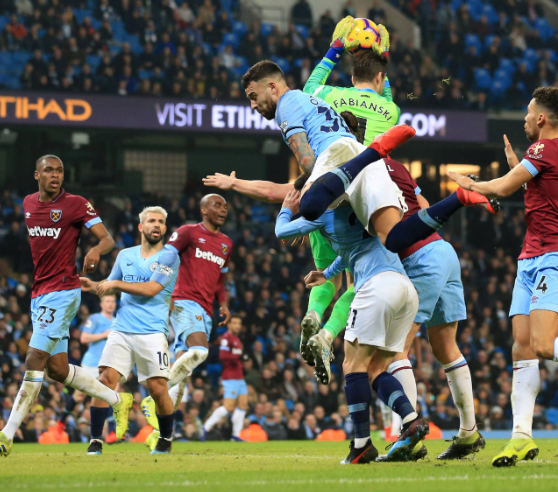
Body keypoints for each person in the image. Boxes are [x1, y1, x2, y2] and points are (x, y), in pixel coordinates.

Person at [276, 191, 429, 463]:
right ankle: (411, 419)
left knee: (353, 366)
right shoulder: (367, 207)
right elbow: (352, 251)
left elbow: (281, 232)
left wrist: (287, 210)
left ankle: (361, 445)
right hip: (406, 290)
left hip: (376, 287)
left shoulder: (323, 213)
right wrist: (326, 273)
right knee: (376, 369)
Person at [449, 86, 558, 467]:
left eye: (529, 113)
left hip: (551, 257)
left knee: (545, 347)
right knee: (522, 348)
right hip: (530, 257)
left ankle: (521, 435)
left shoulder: (543, 149)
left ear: (542, 118)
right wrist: (520, 168)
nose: (526, 119)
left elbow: (503, 188)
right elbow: (537, 189)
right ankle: (521, 437)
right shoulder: (542, 156)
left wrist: (473, 185)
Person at [0, 155, 132, 457]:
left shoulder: (75, 204)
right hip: (40, 292)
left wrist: (95, 250)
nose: (55, 175)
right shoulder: (28, 204)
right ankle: (117, 401)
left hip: (64, 289)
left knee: (34, 358)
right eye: (49, 171)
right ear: (37, 174)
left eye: (59, 171)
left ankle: (7, 434)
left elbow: (108, 239)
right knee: (58, 370)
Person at [80, 206, 180, 455]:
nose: (156, 225)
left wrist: (113, 282)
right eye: (151, 221)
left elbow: (151, 289)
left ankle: (166, 438)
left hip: (153, 332)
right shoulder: (125, 255)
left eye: (160, 222)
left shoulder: (170, 256)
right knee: (104, 381)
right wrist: (94, 286)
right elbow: (111, 288)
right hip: (122, 329)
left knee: (157, 389)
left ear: (165, 229)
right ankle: (95, 440)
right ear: (141, 227)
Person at [161, 195, 232, 403]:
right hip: (183, 300)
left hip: (206, 308)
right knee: (200, 351)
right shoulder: (188, 232)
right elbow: (164, 260)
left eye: (225, 206)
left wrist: (224, 303)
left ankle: (161, 428)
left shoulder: (226, 243)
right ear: (204, 209)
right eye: (217, 205)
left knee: (183, 372)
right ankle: (158, 391)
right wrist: (164, 292)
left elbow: (220, 279)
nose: (223, 210)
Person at [57, 294, 117, 439]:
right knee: (78, 396)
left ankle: (111, 433)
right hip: (91, 364)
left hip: (108, 364)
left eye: (112, 302)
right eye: (107, 301)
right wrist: (104, 334)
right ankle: (61, 421)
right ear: (102, 304)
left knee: (110, 395)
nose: (110, 304)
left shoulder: (117, 322)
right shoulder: (94, 319)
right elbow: (84, 338)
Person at [202, 315, 248, 441]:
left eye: (239, 323)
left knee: (243, 405)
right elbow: (222, 355)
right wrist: (238, 355)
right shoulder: (226, 338)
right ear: (229, 325)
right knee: (228, 407)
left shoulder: (236, 339)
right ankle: (206, 427)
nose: (237, 326)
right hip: (230, 377)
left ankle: (235, 435)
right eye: (234, 323)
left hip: (239, 376)